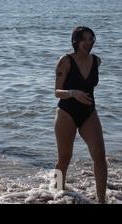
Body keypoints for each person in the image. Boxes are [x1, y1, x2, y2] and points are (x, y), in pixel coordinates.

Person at [54, 26, 107, 203]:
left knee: (99, 156)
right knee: (64, 158)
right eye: (85, 39)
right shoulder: (66, 61)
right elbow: (57, 92)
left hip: (89, 113)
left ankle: (102, 199)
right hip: (66, 113)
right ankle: (56, 193)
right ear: (76, 41)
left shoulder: (96, 61)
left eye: (92, 39)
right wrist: (73, 93)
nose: (89, 43)